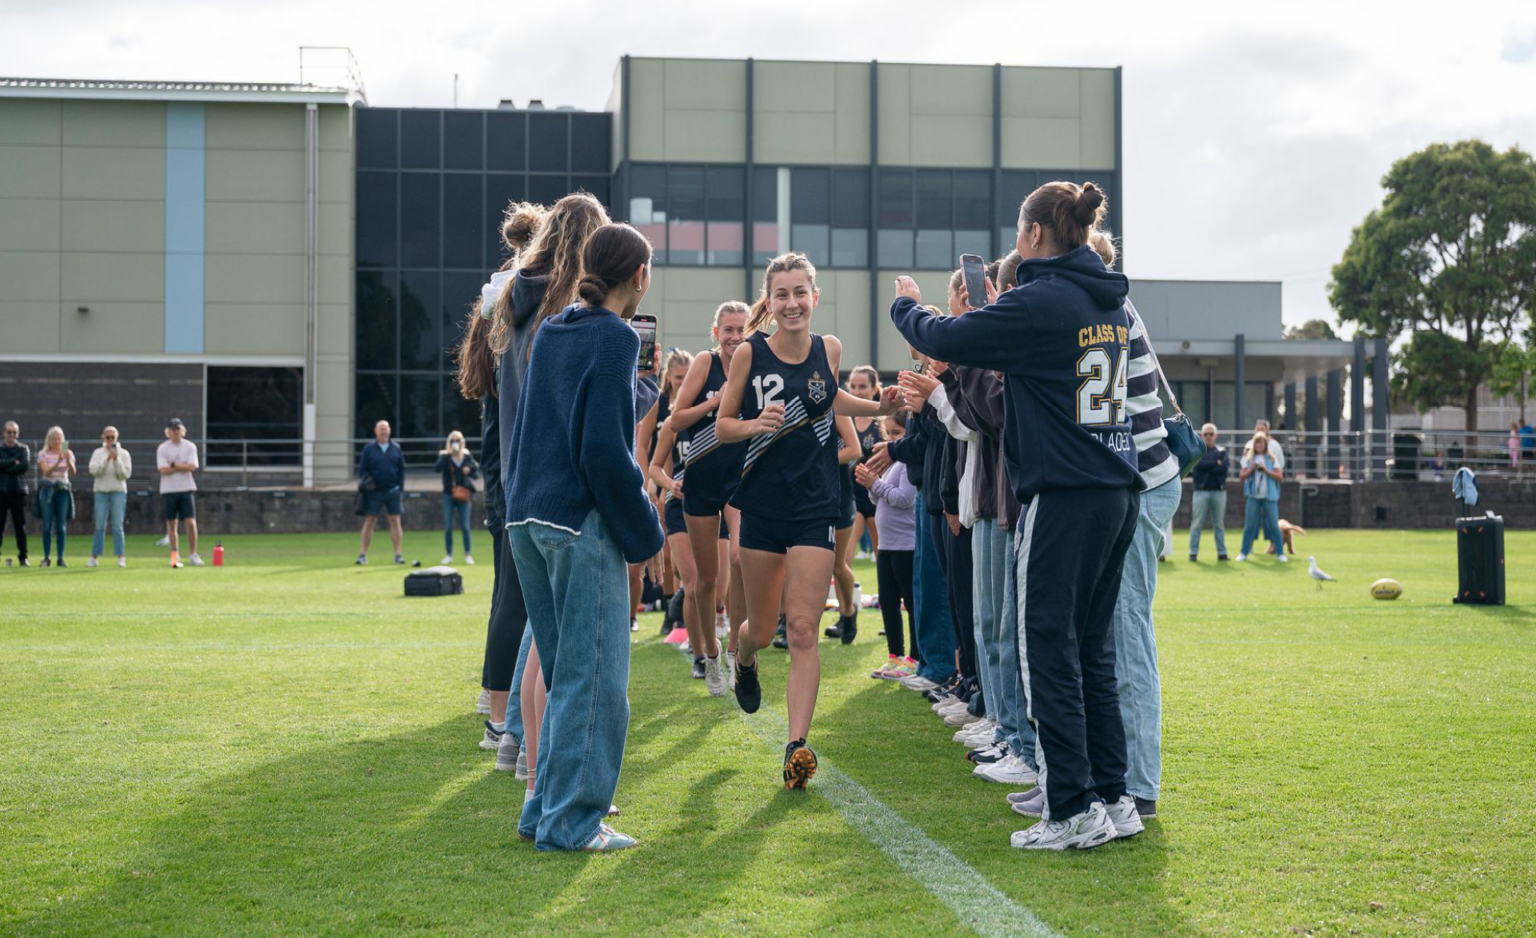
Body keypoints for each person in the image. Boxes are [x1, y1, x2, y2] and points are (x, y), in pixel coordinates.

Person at [890, 179, 1145, 850]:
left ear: (1034, 236)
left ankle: (1069, 808)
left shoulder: (1042, 301)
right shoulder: (1108, 304)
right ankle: (1112, 796)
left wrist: (903, 306)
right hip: (1117, 488)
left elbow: (945, 334)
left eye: (1017, 232)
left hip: (1063, 494)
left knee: (1048, 648)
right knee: (1092, 649)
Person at [715, 250, 901, 789]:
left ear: (814, 297)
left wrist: (879, 409)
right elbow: (724, 424)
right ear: (769, 303)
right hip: (762, 506)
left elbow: (830, 400)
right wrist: (755, 426)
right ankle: (743, 659)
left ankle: (796, 746)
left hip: (817, 504)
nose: (792, 303)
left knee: (801, 628)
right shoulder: (749, 355)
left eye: (801, 293)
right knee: (762, 626)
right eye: (782, 294)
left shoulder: (830, 349)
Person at [504, 222, 663, 852]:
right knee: (595, 681)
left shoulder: (553, 328)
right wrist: (646, 532)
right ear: (640, 278)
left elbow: (535, 428)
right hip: (578, 523)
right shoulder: (617, 338)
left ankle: (543, 810)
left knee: (566, 676)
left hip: (528, 519)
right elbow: (604, 449)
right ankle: (571, 826)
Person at [492, 192, 615, 812]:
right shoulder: (563, 310)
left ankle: (520, 744)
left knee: (541, 631)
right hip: (560, 481)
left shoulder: (513, 301)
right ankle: (539, 765)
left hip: (521, 480)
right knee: (564, 646)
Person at [468, 205, 538, 769]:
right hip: (512, 452)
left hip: (501, 450)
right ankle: (499, 715)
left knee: (506, 589)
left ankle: (498, 705)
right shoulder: (517, 293)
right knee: (516, 595)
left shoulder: (501, 292)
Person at [669, 302, 751, 681]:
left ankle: (736, 650)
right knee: (705, 579)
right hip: (700, 480)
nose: (735, 336)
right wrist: (715, 402)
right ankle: (710, 653)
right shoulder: (705, 362)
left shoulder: (755, 362)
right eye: (728, 329)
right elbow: (676, 420)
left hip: (740, 479)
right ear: (716, 333)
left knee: (738, 560)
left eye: (741, 329)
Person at [858, 412, 918, 679]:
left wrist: (876, 484)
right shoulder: (891, 464)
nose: (891, 440)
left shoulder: (906, 462)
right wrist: (871, 483)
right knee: (888, 601)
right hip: (887, 546)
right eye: (889, 434)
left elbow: (904, 499)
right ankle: (894, 654)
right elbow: (878, 499)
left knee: (912, 602)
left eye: (897, 433)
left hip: (907, 545)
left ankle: (914, 657)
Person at [846, 366, 886, 563]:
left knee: (883, 559)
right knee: (844, 559)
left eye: (862, 386)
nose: (856, 391)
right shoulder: (845, 419)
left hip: (878, 495)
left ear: (874, 389)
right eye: (852, 386)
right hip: (850, 496)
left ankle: (884, 595)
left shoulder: (882, 421)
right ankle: (845, 594)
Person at [356, 420, 405, 566]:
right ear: (375, 431)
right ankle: (363, 554)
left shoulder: (396, 448)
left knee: (395, 521)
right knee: (369, 521)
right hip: (374, 493)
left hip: (393, 491)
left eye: (386, 428)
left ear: (389, 430)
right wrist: (367, 485)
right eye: (381, 428)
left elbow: (402, 470)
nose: (383, 431)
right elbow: (362, 471)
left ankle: (398, 554)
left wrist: (400, 488)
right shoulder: (369, 449)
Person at [155, 418, 201, 566]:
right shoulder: (163, 448)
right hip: (169, 490)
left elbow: (192, 466)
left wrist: (174, 464)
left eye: (178, 429)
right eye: (173, 429)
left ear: (182, 431)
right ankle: (175, 555)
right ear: (168, 432)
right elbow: (163, 470)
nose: (175, 432)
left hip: (186, 488)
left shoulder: (190, 447)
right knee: (171, 523)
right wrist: (182, 466)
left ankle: (193, 554)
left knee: (190, 522)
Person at [87, 427, 132, 568]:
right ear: (103, 438)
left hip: (118, 492)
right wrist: (107, 460)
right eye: (108, 437)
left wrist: (116, 460)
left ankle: (121, 557)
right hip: (101, 492)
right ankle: (94, 557)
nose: (110, 440)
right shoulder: (98, 453)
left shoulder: (124, 454)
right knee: (99, 525)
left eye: (113, 437)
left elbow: (125, 475)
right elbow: (94, 471)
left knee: (118, 526)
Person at [1238, 432, 1285, 562]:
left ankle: (1280, 553)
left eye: (1261, 443)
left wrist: (1266, 469)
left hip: (1269, 497)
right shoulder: (1249, 458)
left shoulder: (1272, 458)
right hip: (1253, 496)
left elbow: (1280, 477)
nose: (1259, 445)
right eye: (1257, 443)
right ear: (1254, 444)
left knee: (1274, 525)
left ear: (1265, 445)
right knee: (1249, 525)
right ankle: (1244, 552)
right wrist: (1251, 469)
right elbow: (1242, 476)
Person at [434, 430, 479, 565]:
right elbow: (437, 468)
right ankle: (448, 554)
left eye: (458, 440)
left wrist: (469, 469)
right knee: (448, 526)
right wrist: (447, 454)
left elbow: (476, 470)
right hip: (449, 494)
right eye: (453, 440)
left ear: (462, 442)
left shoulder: (466, 455)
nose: (455, 443)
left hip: (463, 494)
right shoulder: (445, 455)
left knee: (465, 526)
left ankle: (468, 554)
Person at [36, 426, 76, 567]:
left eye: (60, 439)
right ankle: (46, 557)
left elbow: (73, 471)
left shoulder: (68, 453)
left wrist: (68, 460)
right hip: (47, 491)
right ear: (50, 440)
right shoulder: (43, 454)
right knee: (47, 526)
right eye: (55, 439)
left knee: (61, 526)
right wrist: (58, 462)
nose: (57, 442)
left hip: (63, 491)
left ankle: (61, 557)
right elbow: (46, 472)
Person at [1188, 423, 1229, 561]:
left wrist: (1208, 465)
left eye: (1211, 434)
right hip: (1201, 492)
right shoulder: (1197, 452)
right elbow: (1199, 466)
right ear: (1202, 436)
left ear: (1215, 436)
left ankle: (1222, 553)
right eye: (1206, 434)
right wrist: (1214, 463)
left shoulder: (1222, 451)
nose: (1209, 437)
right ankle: (1193, 553)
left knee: (1219, 524)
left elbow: (1223, 469)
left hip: (1219, 492)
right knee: (1197, 524)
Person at [1, 421, 30, 566]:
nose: (11, 435)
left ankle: (23, 556)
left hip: (18, 492)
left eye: (14, 432)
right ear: (4, 433)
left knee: (20, 526)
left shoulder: (23, 449)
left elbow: (24, 466)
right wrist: (13, 462)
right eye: (9, 432)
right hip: (2, 492)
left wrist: (5, 466)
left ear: (17, 434)